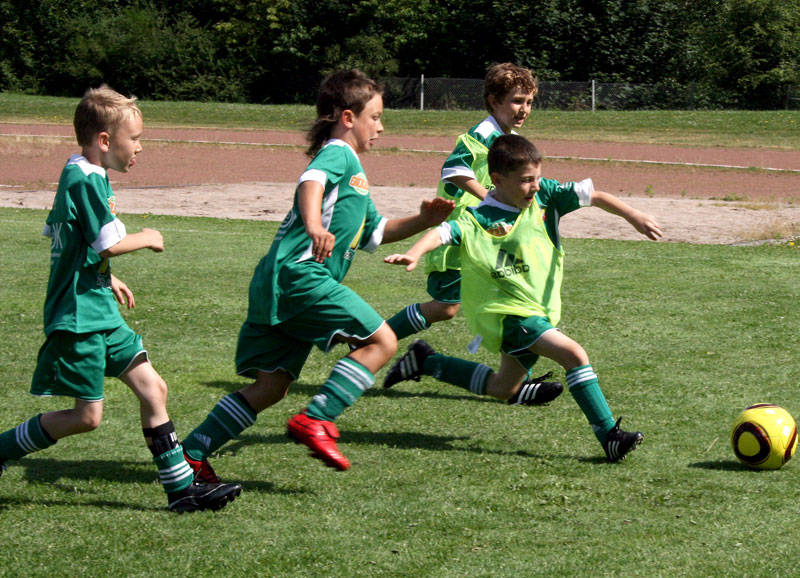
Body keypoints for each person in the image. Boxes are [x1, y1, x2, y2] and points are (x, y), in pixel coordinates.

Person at [180, 70, 454, 477]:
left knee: (270, 388)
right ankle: (317, 418)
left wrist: (421, 219)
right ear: (348, 117)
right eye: (375, 117)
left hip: (278, 281)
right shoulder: (338, 154)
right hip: (301, 275)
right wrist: (313, 224)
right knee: (382, 341)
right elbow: (311, 181)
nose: (381, 126)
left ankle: (191, 454)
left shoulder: (355, 173)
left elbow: (376, 232)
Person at [0, 86, 242, 513]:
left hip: (98, 308)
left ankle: (181, 489)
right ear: (106, 141)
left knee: (154, 388)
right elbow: (107, 243)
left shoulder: (84, 173)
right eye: (135, 138)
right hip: (79, 317)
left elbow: (77, 245)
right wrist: (147, 237)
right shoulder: (85, 178)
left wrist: (107, 279)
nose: (141, 147)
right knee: (86, 418)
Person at [383, 134, 662, 462]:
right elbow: (443, 233)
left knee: (504, 387)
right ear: (498, 180)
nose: (534, 186)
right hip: (510, 314)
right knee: (574, 354)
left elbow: (594, 196)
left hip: (538, 310)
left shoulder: (547, 196)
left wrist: (634, 216)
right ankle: (608, 435)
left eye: (537, 177)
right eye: (526, 180)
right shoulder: (480, 217)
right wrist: (414, 253)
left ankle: (427, 361)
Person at [385, 63, 563, 405]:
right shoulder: (481, 134)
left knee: (513, 298)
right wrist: (491, 203)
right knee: (445, 308)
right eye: (517, 101)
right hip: (460, 239)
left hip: (486, 242)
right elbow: (453, 170)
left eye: (529, 101)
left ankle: (513, 382)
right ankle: (378, 339)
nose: (524, 109)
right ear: (494, 100)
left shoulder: (509, 140)